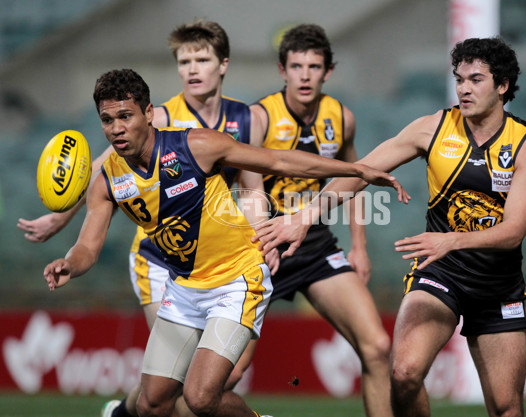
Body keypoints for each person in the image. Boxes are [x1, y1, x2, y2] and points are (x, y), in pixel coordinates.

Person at [42, 68, 404, 417]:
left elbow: (279, 160)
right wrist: (69, 265)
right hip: (183, 288)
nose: (117, 129)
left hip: (237, 279)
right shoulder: (107, 181)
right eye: (108, 120)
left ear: (149, 113)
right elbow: (88, 247)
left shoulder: (195, 145)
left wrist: (356, 170)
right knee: (151, 405)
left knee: (200, 398)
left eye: (126, 116)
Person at [252, 37, 526, 417]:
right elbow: (362, 172)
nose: (463, 88)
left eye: (476, 80)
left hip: (497, 285)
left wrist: (451, 240)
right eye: (459, 79)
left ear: (503, 85)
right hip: (440, 273)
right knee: (404, 373)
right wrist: (303, 217)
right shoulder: (433, 128)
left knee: (507, 409)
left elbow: (513, 233)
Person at [18, 20, 271, 417]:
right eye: (184, 60)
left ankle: (122, 412)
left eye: (201, 58)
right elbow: (100, 171)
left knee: (214, 382)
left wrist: (260, 238)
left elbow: (253, 188)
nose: (192, 68)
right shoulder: (158, 115)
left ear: (222, 64)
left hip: (222, 257)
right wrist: (61, 219)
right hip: (159, 259)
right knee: (180, 387)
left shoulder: (245, 117)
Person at [229, 23, 395, 417]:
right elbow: (243, 189)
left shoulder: (342, 118)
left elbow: (353, 178)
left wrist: (359, 247)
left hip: (316, 246)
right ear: (282, 70)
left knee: (378, 347)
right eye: (297, 66)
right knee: (229, 374)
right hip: (262, 247)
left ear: (328, 71)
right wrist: (258, 240)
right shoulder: (259, 118)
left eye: (314, 66)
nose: (305, 75)